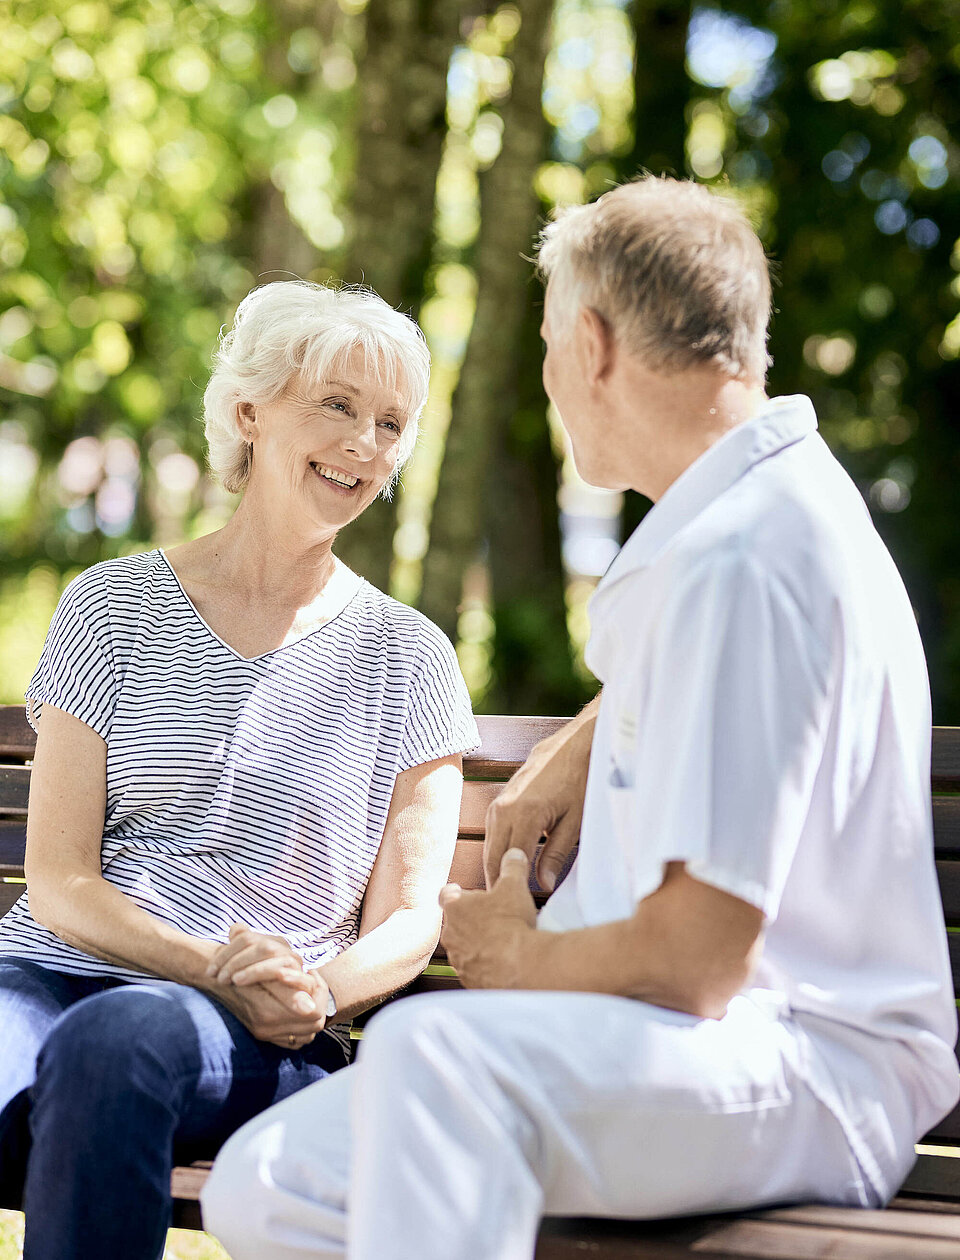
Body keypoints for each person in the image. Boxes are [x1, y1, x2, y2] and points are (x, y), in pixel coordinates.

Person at [201, 177, 960, 1260]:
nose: (550, 376)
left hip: (805, 1056)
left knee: (436, 1058)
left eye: (553, 342)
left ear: (594, 345)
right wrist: (593, 727)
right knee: (270, 1183)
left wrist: (516, 956)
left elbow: (699, 961)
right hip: (698, 1048)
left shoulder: (748, 559)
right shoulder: (745, 528)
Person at [0, 280, 479, 1260]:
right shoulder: (112, 608)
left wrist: (312, 995)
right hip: (47, 980)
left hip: (255, 1031)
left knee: (114, 1050)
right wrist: (201, 960)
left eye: (390, 423)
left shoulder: (409, 656)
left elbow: (410, 918)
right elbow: (58, 880)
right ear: (250, 411)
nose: (364, 443)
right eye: (336, 405)